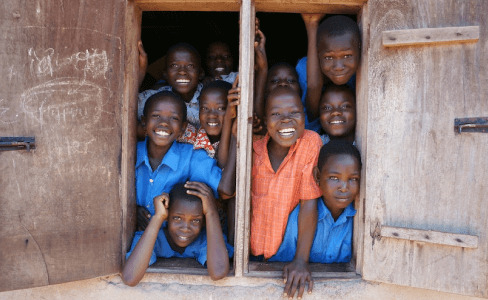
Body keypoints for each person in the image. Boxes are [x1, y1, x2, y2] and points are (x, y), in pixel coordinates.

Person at [251, 87, 322, 299]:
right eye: (276, 114)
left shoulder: (310, 142)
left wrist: (301, 260)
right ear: (264, 120)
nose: (286, 120)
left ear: (305, 115)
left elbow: (309, 201)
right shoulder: (253, 145)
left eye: (294, 112)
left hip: (288, 255)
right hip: (250, 253)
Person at [134, 90, 236, 233]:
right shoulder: (130, 154)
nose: (163, 123)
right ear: (144, 122)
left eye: (174, 118)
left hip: (179, 241)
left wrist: (235, 135)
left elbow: (226, 191)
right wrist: (132, 210)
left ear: (183, 128)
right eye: (156, 116)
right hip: (134, 239)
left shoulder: (191, 157)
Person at [122, 182, 233, 286]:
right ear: (167, 216)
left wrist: (211, 212)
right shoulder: (152, 239)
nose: (185, 228)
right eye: (177, 218)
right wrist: (157, 217)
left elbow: (218, 272)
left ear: (204, 221)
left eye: (195, 220)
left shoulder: (207, 241)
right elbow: (130, 278)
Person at [272, 140, 361, 264]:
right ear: (317, 177)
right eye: (334, 178)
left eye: (353, 179)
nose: (344, 187)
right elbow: (283, 264)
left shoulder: (359, 220)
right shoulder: (300, 217)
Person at [297, 14, 361, 132]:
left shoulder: (364, 70)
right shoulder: (304, 68)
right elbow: (313, 87)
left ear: (360, 49)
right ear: (317, 55)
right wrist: (311, 25)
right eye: (329, 57)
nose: (338, 67)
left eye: (347, 56)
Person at [137, 42, 205, 132]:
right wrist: (141, 72)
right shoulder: (153, 99)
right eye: (174, 65)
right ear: (165, 73)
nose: (182, 71)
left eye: (190, 66)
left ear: (200, 73)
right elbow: (124, 107)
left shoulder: (211, 98)